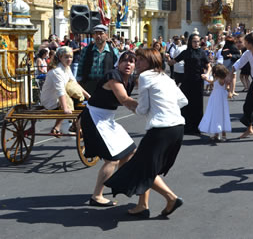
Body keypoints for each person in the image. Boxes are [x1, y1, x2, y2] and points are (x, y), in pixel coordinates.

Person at [105, 49, 187, 219]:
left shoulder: (144, 77)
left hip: (161, 129)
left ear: (150, 61)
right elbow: (183, 101)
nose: (137, 63)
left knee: (143, 168)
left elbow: (142, 109)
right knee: (148, 167)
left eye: (141, 60)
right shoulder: (166, 77)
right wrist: (166, 108)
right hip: (177, 127)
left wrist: (129, 104)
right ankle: (142, 205)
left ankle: (171, 198)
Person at [81, 51, 138, 207]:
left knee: (130, 150)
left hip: (108, 119)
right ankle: (96, 196)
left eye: (132, 61)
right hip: (94, 117)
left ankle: (120, 182)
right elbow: (124, 100)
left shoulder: (131, 79)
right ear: (118, 63)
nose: (128, 64)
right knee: (112, 159)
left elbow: (134, 101)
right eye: (125, 61)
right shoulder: (113, 76)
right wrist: (149, 109)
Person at [40, 46, 90, 135]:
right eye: (66, 57)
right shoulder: (56, 71)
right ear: (60, 57)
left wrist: (88, 96)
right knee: (72, 99)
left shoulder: (66, 68)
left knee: (73, 90)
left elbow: (75, 84)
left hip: (59, 97)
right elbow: (60, 91)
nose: (69, 59)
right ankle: (74, 124)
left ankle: (58, 127)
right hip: (50, 100)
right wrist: (65, 108)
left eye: (71, 57)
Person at [171, 34, 211, 135]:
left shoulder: (202, 52)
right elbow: (173, 62)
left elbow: (208, 66)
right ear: (190, 42)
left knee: (197, 105)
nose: (196, 43)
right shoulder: (185, 52)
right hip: (187, 81)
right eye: (194, 41)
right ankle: (186, 127)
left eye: (198, 41)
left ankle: (197, 127)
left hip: (198, 81)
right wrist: (166, 58)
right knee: (185, 103)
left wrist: (207, 74)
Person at [77, 25, 119, 95]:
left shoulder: (113, 51)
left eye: (101, 33)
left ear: (106, 35)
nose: (98, 36)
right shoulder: (86, 50)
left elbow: (117, 68)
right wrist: (79, 82)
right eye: (96, 33)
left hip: (106, 85)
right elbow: (80, 67)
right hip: (89, 85)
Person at [198, 64, 231, 141]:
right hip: (215, 98)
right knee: (216, 114)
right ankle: (217, 134)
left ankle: (223, 135)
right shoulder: (217, 79)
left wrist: (229, 90)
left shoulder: (221, 80)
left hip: (219, 98)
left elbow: (228, 84)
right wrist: (206, 79)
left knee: (221, 114)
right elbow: (212, 82)